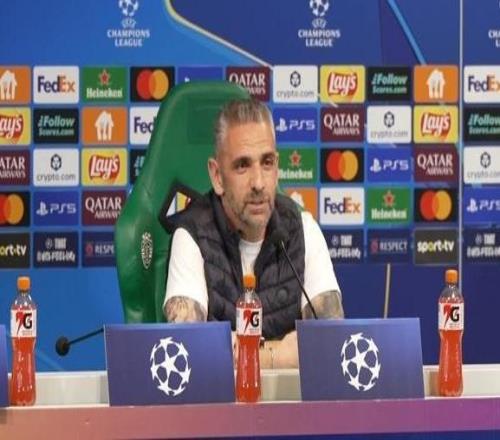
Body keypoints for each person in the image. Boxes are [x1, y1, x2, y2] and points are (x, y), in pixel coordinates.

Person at [163, 98, 343, 368]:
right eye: (242, 165)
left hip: (290, 395)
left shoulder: (303, 229)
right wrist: (279, 355)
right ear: (217, 176)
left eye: (267, 163)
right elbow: (187, 354)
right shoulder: (192, 236)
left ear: (277, 168)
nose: (258, 183)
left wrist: (240, 351)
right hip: (221, 397)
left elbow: (332, 343)